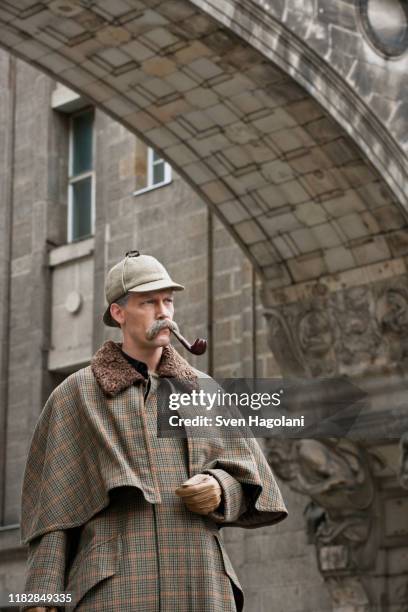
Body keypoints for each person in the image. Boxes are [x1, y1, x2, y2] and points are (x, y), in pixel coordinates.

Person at [21, 251, 288, 612]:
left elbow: (256, 486)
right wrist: (40, 598)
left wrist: (220, 489)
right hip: (114, 588)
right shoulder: (76, 394)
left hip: (202, 585)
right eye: (149, 302)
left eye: (168, 301)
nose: (163, 311)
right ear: (119, 312)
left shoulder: (205, 391)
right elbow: (52, 510)